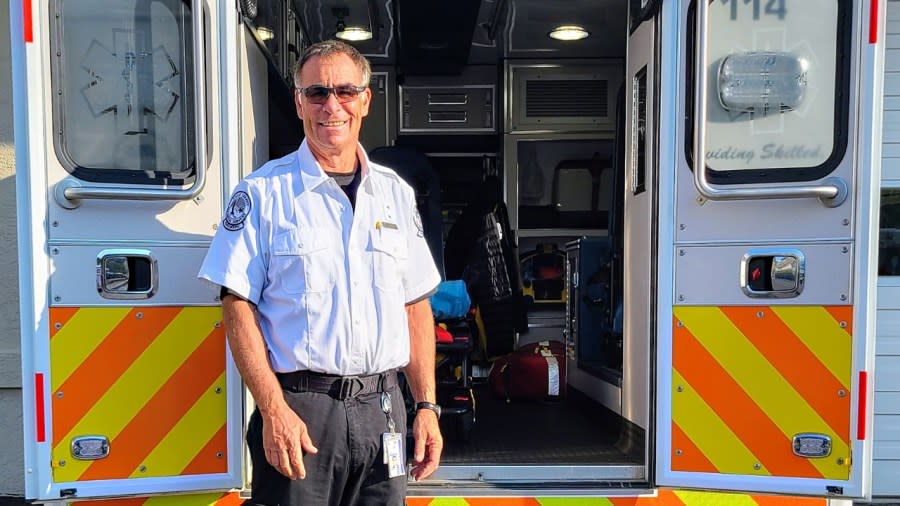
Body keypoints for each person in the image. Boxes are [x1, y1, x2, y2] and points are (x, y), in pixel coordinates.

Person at [198, 40, 443, 505]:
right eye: (316, 93)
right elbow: (237, 306)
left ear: (366, 100)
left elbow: (414, 305)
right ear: (298, 103)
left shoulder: (395, 194)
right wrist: (273, 409)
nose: (332, 105)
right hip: (302, 410)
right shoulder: (263, 193)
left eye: (346, 91)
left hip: (383, 409)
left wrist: (426, 406)